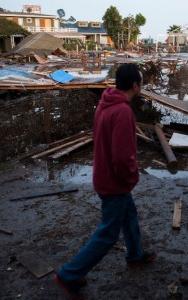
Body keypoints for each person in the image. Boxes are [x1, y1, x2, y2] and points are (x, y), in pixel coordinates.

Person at [55, 64, 157, 300]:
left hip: (104, 175)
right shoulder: (122, 112)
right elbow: (122, 157)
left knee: (129, 216)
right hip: (114, 182)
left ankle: (135, 255)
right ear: (135, 86)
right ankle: (68, 275)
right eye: (141, 82)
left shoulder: (105, 103)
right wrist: (131, 176)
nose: (142, 86)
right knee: (108, 233)